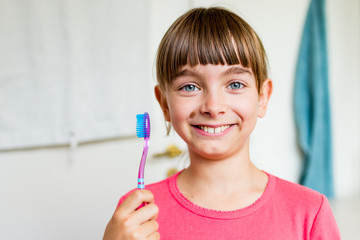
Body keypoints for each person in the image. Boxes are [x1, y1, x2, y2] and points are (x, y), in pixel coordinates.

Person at [103, 7, 341, 240]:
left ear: (262, 97)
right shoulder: (135, 214)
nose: (213, 107)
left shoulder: (310, 211)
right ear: (164, 104)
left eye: (235, 85)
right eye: (190, 87)